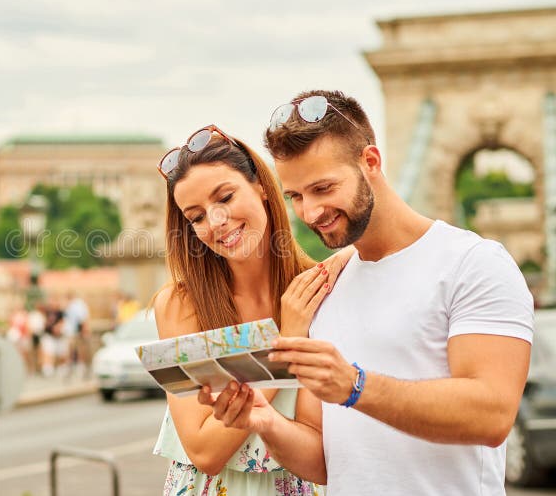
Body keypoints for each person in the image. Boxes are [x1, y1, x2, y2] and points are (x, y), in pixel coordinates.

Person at [201, 90, 535, 495]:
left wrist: (355, 386)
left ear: (371, 162)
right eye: (296, 197)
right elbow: (322, 462)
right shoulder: (326, 286)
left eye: (323, 188)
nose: (309, 213)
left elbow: (492, 416)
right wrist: (263, 420)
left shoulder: (474, 263)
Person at [153, 124, 352, 496]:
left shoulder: (322, 292)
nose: (215, 222)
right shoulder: (180, 305)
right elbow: (204, 451)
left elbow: (318, 447)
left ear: (261, 186)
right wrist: (286, 342)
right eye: (195, 216)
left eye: (225, 197)